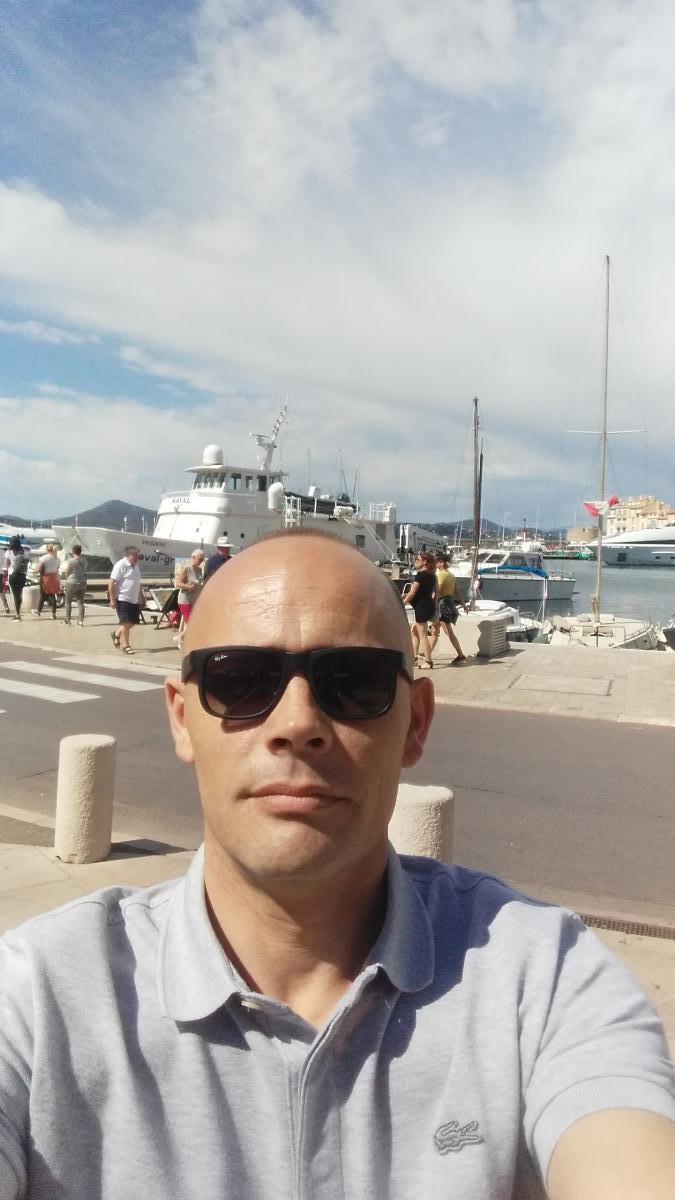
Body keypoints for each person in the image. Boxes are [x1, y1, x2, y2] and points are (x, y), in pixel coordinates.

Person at [0, 531, 673, 1200]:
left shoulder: (542, 980)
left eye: (353, 682)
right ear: (181, 719)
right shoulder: (40, 996)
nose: (297, 723)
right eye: (239, 680)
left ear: (415, 723)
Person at [430, 554, 469, 664]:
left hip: (442, 605)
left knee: (447, 631)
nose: (435, 564)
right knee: (435, 630)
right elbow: (456, 591)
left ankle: (460, 654)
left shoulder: (440, 575)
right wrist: (463, 604)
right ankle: (428, 653)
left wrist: (431, 603)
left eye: (437, 562)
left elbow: (438, 591)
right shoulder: (451, 575)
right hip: (449, 603)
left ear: (442, 563)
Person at [108, 546, 144, 655]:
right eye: (135, 556)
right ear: (129, 555)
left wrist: (142, 596)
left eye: (138, 556)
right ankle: (126, 646)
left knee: (133, 622)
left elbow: (137, 582)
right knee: (125, 622)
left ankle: (116, 634)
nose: (137, 558)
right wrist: (112, 599)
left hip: (134, 599)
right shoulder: (120, 565)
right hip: (123, 598)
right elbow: (111, 583)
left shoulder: (136, 566)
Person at [404, 549, 437, 668]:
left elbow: (413, 592)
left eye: (417, 559)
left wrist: (403, 602)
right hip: (428, 605)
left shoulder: (421, 575)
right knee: (414, 631)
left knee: (423, 636)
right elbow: (434, 592)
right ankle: (414, 657)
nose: (416, 561)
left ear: (424, 561)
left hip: (421, 607)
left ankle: (428, 662)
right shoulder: (432, 575)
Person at [175, 549, 205, 625]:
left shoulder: (199, 570)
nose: (201, 561)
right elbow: (177, 584)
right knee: (190, 623)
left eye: (202, 559)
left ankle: (184, 633)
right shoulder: (186, 568)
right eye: (200, 559)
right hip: (185, 600)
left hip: (195, 600)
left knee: (194, 623)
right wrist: (188, 587)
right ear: (193, 557)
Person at [31, 543, 61, 619]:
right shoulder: (57, 559)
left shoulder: (44, 558)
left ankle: (38, 611)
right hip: (54, 577)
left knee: (42, 595)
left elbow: (38, 568)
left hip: (45, 577)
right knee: (52, 595)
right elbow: (58, 568)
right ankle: (53, 613)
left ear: (47, 549)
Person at [62, 544, 87, 625]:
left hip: (72, 582)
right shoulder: (84, 560)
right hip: (82, 582)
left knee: (68, 601)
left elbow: (67, 572)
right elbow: (84, 570)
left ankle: (67, 620)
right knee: (80, 602)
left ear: (73, 551)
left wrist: (66, 577)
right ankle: (80, 621)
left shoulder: (71, 561)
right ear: (80, 551)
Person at [5, 534, 28, 620]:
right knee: (19, 594)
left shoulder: (9, 552)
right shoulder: (23, 551)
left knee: (14, 595)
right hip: (23, 575)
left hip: (13, 575)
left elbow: (6, 566)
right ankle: (18, 612)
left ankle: (17, 615)